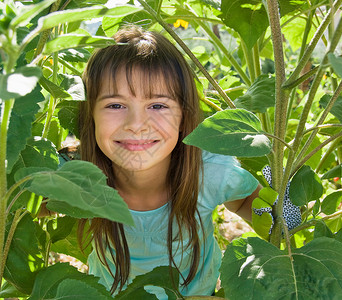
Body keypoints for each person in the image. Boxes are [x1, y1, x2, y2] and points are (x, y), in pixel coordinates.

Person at [78, 25, 261, 298]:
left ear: (183, 116)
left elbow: (248, 200)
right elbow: (24, 201)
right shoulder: (78, 176)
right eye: (115, 105)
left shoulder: (208, 172)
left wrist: (282, 218)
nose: (137, 125)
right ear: (90, 114)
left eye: (158, 105)